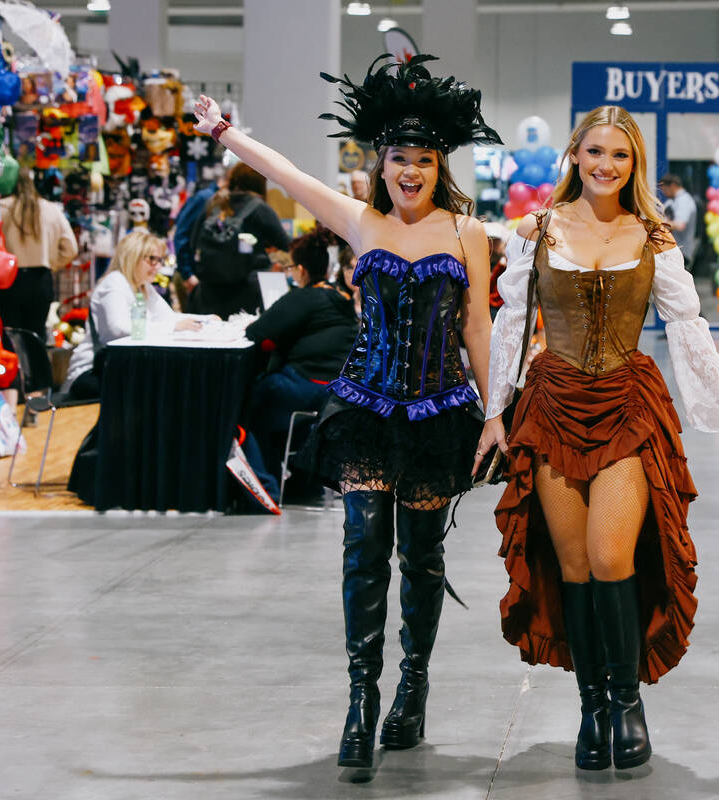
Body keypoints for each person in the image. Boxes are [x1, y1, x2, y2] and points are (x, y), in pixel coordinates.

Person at [194, 52, 500, 771]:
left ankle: (413, 690)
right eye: (399, 158)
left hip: (437, 410)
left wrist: (495, 413)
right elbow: (289, 176)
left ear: (439, 164)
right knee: (363, 554)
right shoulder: (359, 221)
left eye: (424, 160)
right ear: (380, 161)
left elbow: (478, 328)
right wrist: (227, 135)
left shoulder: (468, 234)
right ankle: (362, 699)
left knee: (421, 560)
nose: (411, 172)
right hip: (364, 406)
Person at [476, 107, 719, 772]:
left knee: (613, 556)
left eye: (619, 155)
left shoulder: (653, 236)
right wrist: (495, 410)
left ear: (634, 164)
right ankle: (594, 710)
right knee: (575, 567)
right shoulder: (537, 229)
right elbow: (511, 321)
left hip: (625, 404)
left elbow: (688, 324)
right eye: (594, 151)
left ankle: (626, 706)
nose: (605, 165)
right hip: (554, 405)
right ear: (574, 154)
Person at [243, 224, 358, 499]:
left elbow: (256, 332)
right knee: (276, 411)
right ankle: (300, 485)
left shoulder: (303, 297)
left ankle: (266, 487)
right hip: (334, 393)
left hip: (304, 387)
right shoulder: (337, 298)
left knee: (246, 405)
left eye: (292, 268)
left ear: (301, 270)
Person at [62, 231, 207, 398]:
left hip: (121, 369)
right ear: (133, 257)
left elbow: (170, 318)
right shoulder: (115, 282)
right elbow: (119, 328)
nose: (158, 266)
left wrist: (207, 320)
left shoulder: (143, 287)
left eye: (160, 260)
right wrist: (173, 327)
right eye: (152, 259)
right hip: (92, 372)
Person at [191, 161, 291, 318]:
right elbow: (287, 244)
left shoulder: (214, 204)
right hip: (248, 291)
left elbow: (194, 243)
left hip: (209, 290)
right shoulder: (259, 208)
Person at [0, 169, 79, 340]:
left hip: (9, 281)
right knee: (35, 337)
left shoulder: (1, 208)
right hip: (40, 279)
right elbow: (70, 248)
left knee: (10, 337)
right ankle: (36, 367)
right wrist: (52, 263)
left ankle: (15, 367)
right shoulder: (50, 209)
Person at [172, 169, 225, 311]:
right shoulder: (205, 197)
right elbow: (181, 233)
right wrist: (188, 274)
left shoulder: (221, 199)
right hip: (191, 277)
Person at [658, 173, 697, 265]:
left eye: (665, 189)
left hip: (681, 252)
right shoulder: (672, 201)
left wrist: (659, 224)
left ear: (673, 186)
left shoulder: (684, 200)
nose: (664, 193)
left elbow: (680, 225)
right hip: (672, 251)